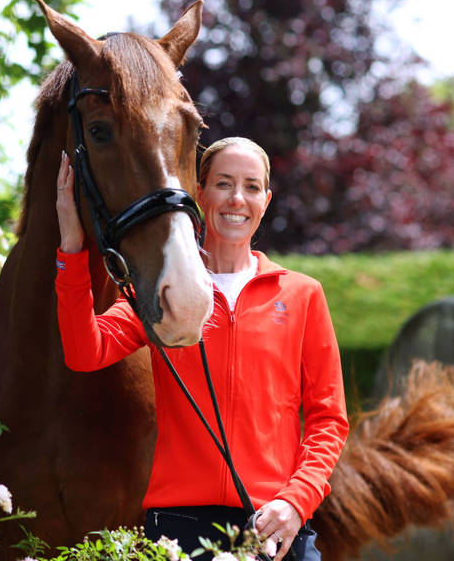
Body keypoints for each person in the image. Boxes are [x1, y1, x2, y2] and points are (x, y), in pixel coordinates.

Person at [53, 138, 349, 560]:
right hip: (180, 528)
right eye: (224, 183)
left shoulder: (302, 296)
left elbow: (328, 420)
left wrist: (296, 501)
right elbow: (85, 351)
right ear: (199, 193)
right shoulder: (164, 291)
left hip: (273, 523)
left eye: (251, 187)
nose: (237, 199)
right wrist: (71, 249)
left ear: (265, 201)